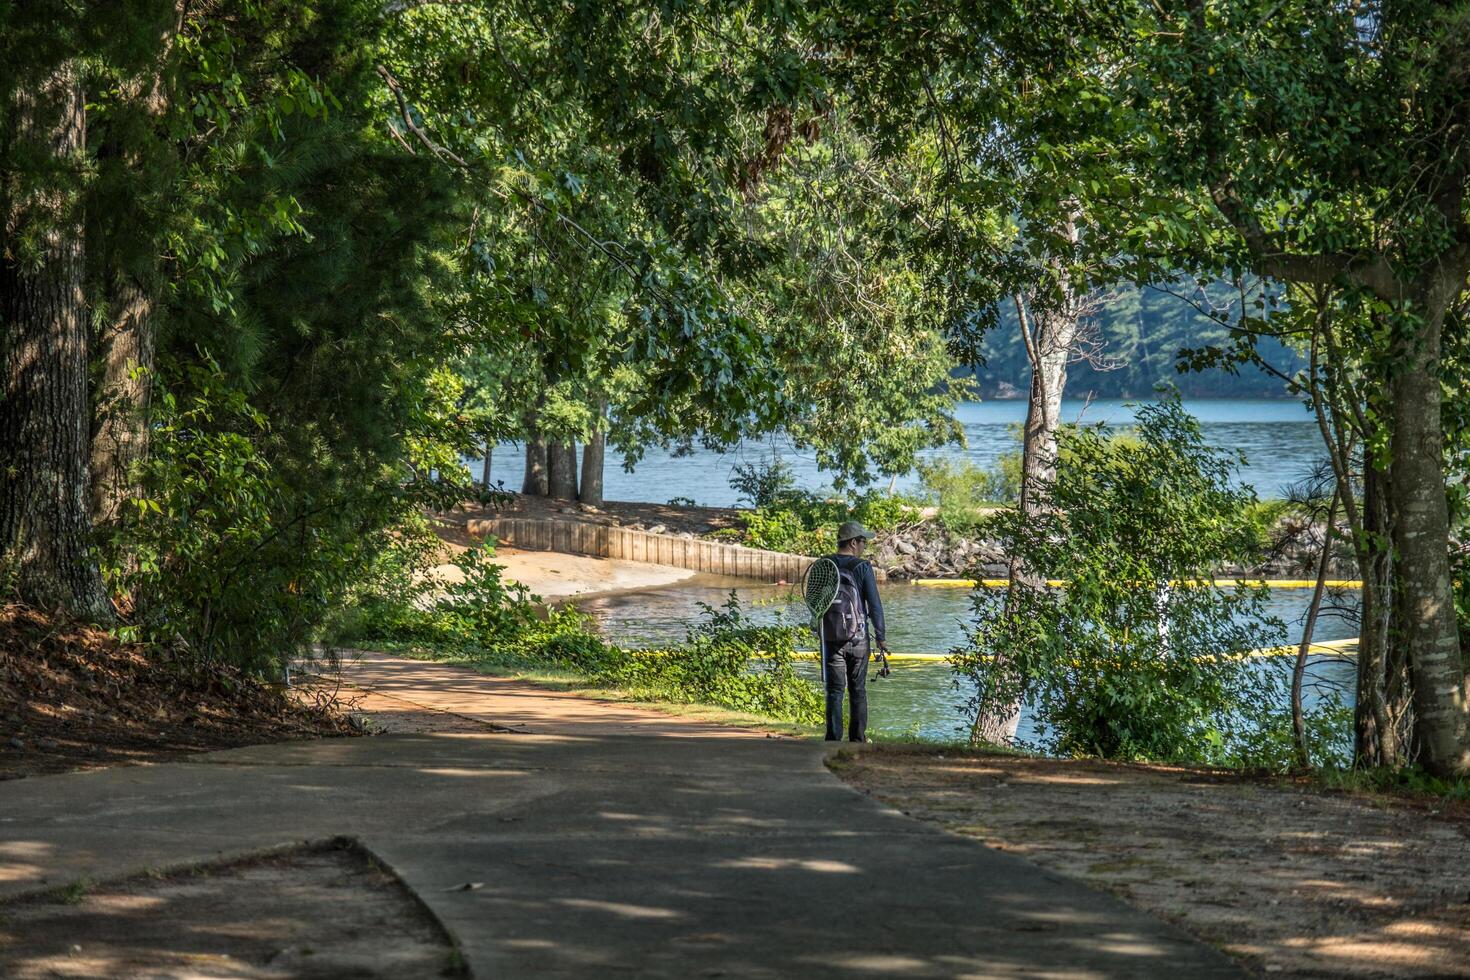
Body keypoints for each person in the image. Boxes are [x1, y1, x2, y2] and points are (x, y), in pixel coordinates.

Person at [821, 520, 889, 742]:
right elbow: (874, 604)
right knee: (857, 691)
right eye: (863, 542)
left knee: (834, 691)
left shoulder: (824, 564)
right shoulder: (862, 567)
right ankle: (857, 741)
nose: (864, 546)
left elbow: (816, 601)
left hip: (830, 638)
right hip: (858, 638)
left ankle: (832, 740)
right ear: (853, 542)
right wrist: (881, 637)